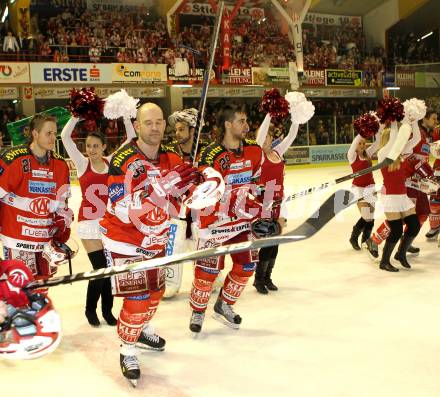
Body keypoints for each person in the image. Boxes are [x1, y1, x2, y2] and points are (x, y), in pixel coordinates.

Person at [99, 103, 198, 385]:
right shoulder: (124, 159)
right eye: (148, 123)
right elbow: (121, 208)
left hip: (155, 238)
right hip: (125, 240)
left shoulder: (171, 156)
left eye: (159, 122)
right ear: (138, 126)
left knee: (156, 293)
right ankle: (127, 349)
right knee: (138, 299)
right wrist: (161, 191)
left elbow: (186, 192)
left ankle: (141, 331)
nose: (155, 127)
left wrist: (197, 185)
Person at [189, 104, 263, 333]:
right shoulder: (211, 154)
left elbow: (258, 186)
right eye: (241, 121)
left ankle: (225, 304)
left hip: (242, 219)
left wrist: (263, 211)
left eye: (246, 120)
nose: (247, 126)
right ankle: (198, 311)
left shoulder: (254, 150)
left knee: (247, 264)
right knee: (207, 271)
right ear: (228, 124)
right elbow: (206, 191)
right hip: (215, 222)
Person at [61, 116, 136, 327]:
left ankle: (107, 310)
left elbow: (131, 138)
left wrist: (126, 116)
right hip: (88, 224)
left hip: (109, 224)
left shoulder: (111, 161)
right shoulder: (82, 163)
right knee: (100, 267)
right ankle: (90, 309)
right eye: (88, 146)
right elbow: (65, 136)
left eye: (96, 146)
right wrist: (77, 116)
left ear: (104, 146)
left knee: (108, 269)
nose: (91, 149)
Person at [0, 114, 72, 289]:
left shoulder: (60, 165)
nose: (53, 138)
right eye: (48, 133)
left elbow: (62, 205)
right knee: (20, 293)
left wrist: (63, 221)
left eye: (55, 133)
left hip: (45, 242)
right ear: (35, 133)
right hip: (17, 239)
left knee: (42, 291)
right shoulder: (13, 159)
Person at [253, 115, 298, 294]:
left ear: (272, 138)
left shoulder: (277, 152)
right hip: (264, 202)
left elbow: (292, 135)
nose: (265, 140)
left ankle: (268, 276)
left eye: (268, 137)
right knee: (267, 241)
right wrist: (270, 113)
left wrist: (297, 117)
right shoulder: (258, 155)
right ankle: (258, 279)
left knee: (276, 241)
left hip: (280, 201)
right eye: (263, 137)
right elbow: (261, 135)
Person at [376, 122, 421, 272]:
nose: (398, 142)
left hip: (402, 196)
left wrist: (414, 121)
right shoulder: (382, 154)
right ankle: (384, 262)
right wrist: (395, 123)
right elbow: (394, 141)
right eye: (394, 140)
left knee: (414, 225)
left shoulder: (401, 153)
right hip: (391, 198)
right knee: (396, 231)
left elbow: (416, 139)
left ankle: (401, 254)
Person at [348, 126, 382, 252]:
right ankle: (354, 237)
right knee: (366, 215)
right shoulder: (352, 155)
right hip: (358, 188)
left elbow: (378, 142)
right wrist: (362, 131)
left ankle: (366, 239)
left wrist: (379, 127)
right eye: (359, 143)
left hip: (370, 187)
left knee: (371, 217)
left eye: (364, 143)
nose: (362, 145)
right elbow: (353, 144)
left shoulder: (368, 153)